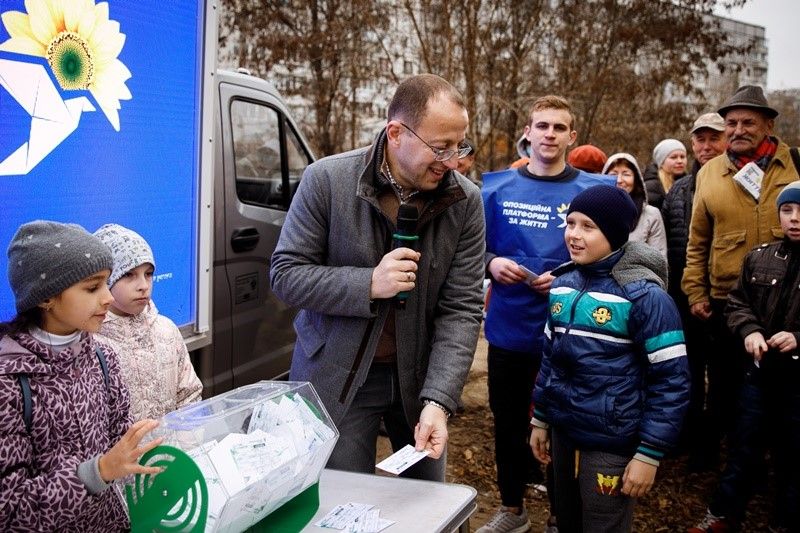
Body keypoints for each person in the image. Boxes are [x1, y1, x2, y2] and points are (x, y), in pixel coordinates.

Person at [270, 74, 485, 482]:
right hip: (337, 375)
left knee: (424, 503)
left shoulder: (465, 201)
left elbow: (462, 309)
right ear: (396, 133)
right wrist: (368, 283)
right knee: (342, 501)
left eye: (460, 146)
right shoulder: (327, 181)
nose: (453, 161)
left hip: (420, 378)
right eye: (440, 148)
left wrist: (439, 401)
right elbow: (286, 275)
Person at [478, 95, 613, 533]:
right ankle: (513, 509)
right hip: (509, 332)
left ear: (572, 136)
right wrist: (491, 263)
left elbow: (618, 261)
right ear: (528, 133)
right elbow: (469, 250)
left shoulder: (596, 192)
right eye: (542, 126)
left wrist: (568, 279)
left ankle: (562, 514)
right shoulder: (494, 189)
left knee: (563, 427)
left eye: (559, 127)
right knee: (509, 423)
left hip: (572, 333)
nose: (550, 134)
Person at [530, 185, 690, 533]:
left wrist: (649, 453)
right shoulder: (563, 285)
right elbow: (550, 360)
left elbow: (671, 381)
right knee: (565, 518)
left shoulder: (646, 297)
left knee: (604, 524)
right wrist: (541, 419)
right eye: (570, 223)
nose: (574, 234)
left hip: (612, 441)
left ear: (615, 232)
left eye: (589, 226)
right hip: (563, 432)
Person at [0, 220, 162, 531]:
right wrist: (96, 473)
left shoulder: (103, 358)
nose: (108, 298)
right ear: (46, 297)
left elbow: (119, 444)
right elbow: (9, 508)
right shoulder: (10, 382)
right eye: (92, 287)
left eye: (106, 283)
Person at [682, 85, 800, 462]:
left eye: (748, 121)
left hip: (788, 303)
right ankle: (733, 467)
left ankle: (777, 472)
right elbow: (697, 239)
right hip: (727, 301)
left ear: (768, 125)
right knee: (726, 388)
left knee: (784, 394)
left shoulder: (794, 164)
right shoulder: (711, 172)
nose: (738, 129)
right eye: (731, 122)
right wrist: (696, 291)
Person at [688, 182, 800, 533]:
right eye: (787, 210)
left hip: (799, 381)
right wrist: (749, 330)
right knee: (744, 444)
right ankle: (723, 514)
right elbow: (738, 302)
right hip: (759, 373)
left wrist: (798, 337)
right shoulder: (760, 256)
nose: (795, 219)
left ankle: (785, 521)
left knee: (794, 454)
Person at [661, 112, 727, 471]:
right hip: (683, 298)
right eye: (700, 140)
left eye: (713, 139)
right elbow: (672, 247)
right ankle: (686, 441)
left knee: (721, 378)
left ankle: (712, 447)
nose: (706, 146)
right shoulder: (680, 189)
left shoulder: (738, 184)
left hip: (723, 300)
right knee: (686, 373)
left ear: (726, 141)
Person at [93, 223, 202, 422]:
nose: (143, 286)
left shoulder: (166, 330)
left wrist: (184, 447)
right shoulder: (90, 342)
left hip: (171, 451)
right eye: (128, 274)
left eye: (148, 274)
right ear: (104, 279)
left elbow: (190, 396)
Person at [602, 152, 667, 258]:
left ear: (636, 179)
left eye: (626, 174)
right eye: (613, 174)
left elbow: (659, 259)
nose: (619, 180)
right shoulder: (594, 212)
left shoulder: (651, 214)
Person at [644, 138, 687, 209]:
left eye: (682, 157)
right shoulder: (651, 187)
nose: (680, 161)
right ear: (661, 162)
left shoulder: (688, 182)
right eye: (673, 157)